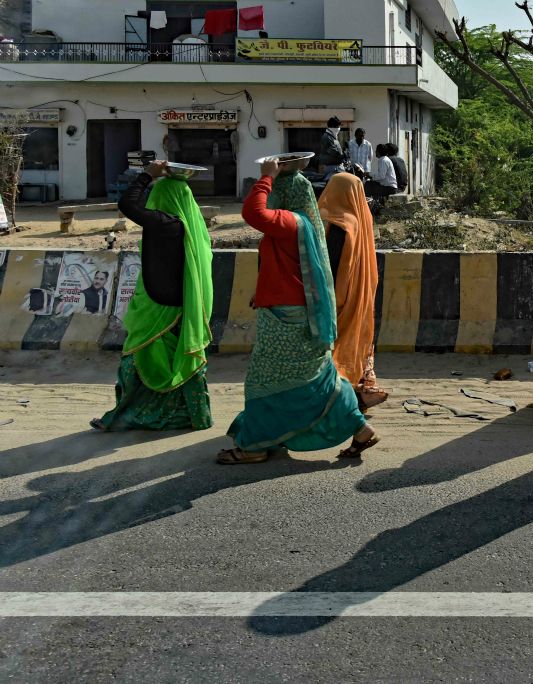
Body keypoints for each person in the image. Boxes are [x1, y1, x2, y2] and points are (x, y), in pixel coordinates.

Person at [218, 159, 378, 464]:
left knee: (263, 382)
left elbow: (253, 212)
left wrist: (265, 178)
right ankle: (360, 428)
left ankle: (254, 448)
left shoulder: (290, 221)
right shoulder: (305, 223)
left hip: (286, 317)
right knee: (318, 376)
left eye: (276, 192)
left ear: (286, 194)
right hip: (298, 310)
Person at [93, 160, 214, 432]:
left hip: (156, 304)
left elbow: (128, 204)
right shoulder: (192, 228)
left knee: (136, 360)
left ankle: (126, 416)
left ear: (162, 198)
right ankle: (196, 416)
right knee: (183, 359)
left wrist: (147, 175)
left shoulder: (164, 223)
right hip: (183, 305)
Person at [317, 171, 388, 411]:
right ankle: (362, 393)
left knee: (337, 348)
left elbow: (333, 266)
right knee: (358, 342)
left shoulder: (341, 226)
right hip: (362, 292)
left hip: (342, 296)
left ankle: (341, 403)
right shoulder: (361, 218)